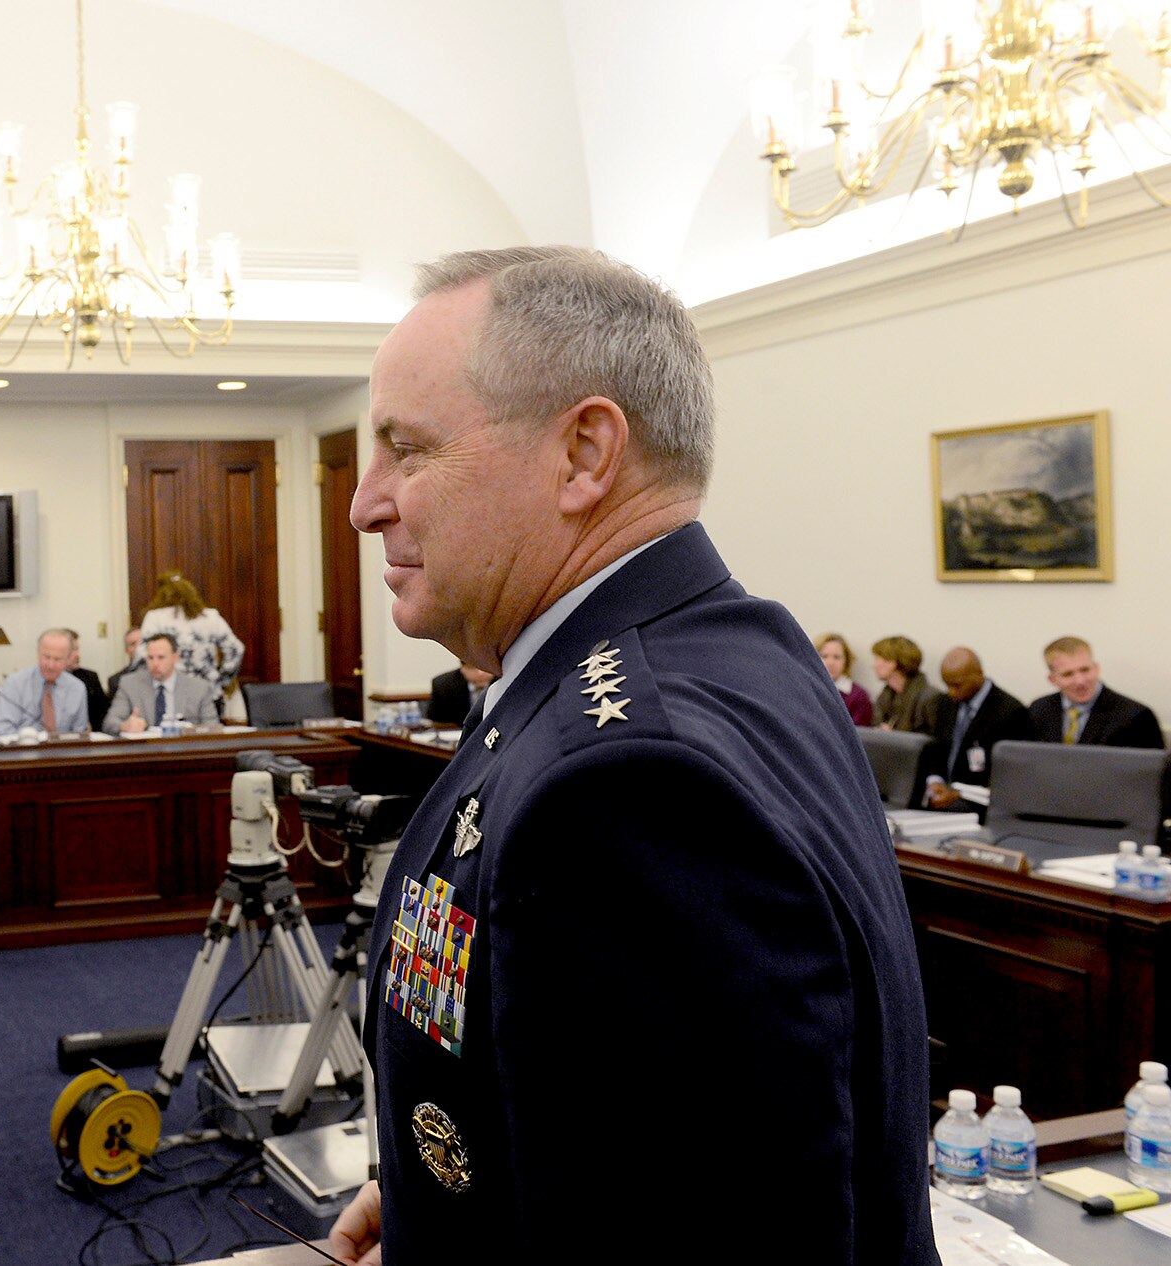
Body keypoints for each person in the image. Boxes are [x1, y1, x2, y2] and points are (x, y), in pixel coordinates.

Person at [330, 247, 934, 1264]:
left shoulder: (626, 790)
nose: (365, 502)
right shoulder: (733, 645)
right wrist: (450, 1194)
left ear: (582, 456)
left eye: (408, 450)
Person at [922, 647, 1032, 810]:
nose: (951, 692)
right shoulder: (944, 703)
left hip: (979, 804)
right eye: (947, 685)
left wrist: (960, 793)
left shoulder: (1011, 711)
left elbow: (1007, 776)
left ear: (978, 674)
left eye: (956, 685)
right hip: (943, 795)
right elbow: (936, 749)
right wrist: (935, 781)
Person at [1028, 636, 1165, 748]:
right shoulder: (1038, 710)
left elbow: (1151, 775)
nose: (1080, 681)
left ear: (1096, 668)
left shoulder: (1136, 716)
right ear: (1052, 679)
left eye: (1085, 670)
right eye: (1068, 674)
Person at [139, 572, 244, 700]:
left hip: (170, 692)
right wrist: (222, 680)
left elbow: (142, 656)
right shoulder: (210, 617)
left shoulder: (155, 618)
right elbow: (236, 649)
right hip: (208, 691)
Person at [103, 633, 222, 733]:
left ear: (175, 657)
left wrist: (188, 730)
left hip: (184, 753)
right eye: (150, 658)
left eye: (161, 657)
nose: (154, 664)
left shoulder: (198, 688)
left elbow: (213, 728)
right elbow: (109, 722)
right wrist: (125, 726)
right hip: (145, 753)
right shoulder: (130, 684)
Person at [0, 629, 91, 734]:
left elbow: (80, 734)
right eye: (46, 657)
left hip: (62, 749)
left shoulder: (77, 688)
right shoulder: (14, 684)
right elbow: (3, 730)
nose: (50, 665)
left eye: (57, 659)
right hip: (22, 748)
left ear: (68, 659)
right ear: (38, 653)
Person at [869, 635, 943, 734]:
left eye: (877, 659)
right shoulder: (886, 695)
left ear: (892, 662)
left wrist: (894, 736)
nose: (874, 666)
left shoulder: (930, 698)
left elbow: (930, 742)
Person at [816, 631, 874, 726]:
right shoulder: (806, 689)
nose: (830, 662)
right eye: (824, 656)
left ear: (846, 661)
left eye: (837, 657)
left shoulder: (859, 696)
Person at [64, 628, 111, 731]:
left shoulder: (90, 678)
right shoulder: (47, 679)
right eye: (72, 650)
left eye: (78, 649)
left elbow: (103, 715)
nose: (77, 655)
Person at [426, 661, 496, 726]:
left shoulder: (504, 681)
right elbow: (436, 720)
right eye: (472, 668)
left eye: (485, 668)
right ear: (462, 669)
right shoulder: (444, 685)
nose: (480, 673)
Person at [108, 627, 146, 692]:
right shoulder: (117, 681)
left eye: (142, 642)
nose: (139, 647)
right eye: (133, 644)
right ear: (127, 650)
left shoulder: (161, 674)